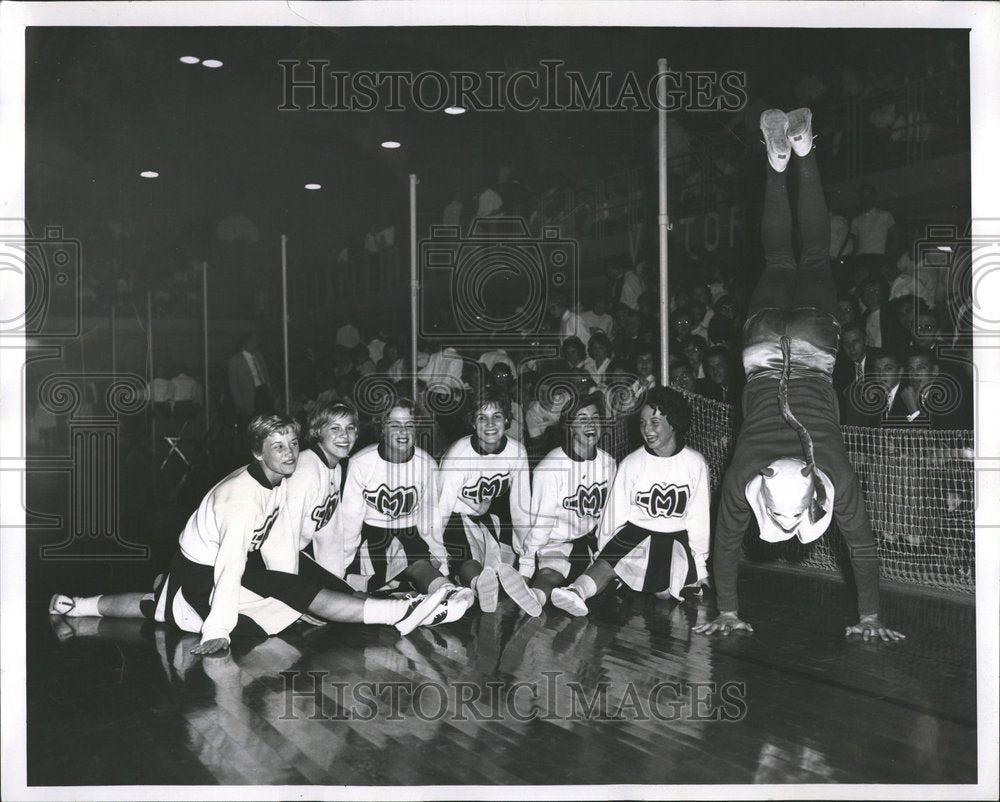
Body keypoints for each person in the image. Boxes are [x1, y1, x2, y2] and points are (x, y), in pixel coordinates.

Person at [695, 108, 904, 642]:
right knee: (780, 258)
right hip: (762, 347)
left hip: (812, 344)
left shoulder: (828, 468)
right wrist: (727, 608)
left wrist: (872, 616)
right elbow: (723, 545)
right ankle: (778, 162)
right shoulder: (748, 471)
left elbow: (862, 545)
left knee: (812, 255)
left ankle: (803, 152)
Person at [49, 415, 451, 653]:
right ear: (259, 452)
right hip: (206, 573)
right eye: (278, 446)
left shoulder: (274, 481)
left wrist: (289, 580)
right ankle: (403, 610)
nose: (290, 452)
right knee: (170, 608)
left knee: (161, 604)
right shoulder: (241, 498)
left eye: (293, 443)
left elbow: (274, 544)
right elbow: (229, 565)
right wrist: (219, 629)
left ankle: (77, 605)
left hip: (200, 570)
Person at [549, 388, 710, 616]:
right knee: (609, 561)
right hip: (637, 533)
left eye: (655, 422)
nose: (647, 430)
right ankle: (576, 591)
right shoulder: (632, 463)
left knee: (664, 594)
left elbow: (699, 520)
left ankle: (625, 580)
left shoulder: (695, 463)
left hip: (675, 538)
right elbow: (614, 514)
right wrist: (605, 553)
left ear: (674, 423)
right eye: (643, 423)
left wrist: (700, 567)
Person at [336, 398, 475, 622]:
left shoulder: (426, 463)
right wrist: (341, 567)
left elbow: (430, 519)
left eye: (409, 425)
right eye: (395, 425)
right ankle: (420, 591)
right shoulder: (361, 462)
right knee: (375, 578)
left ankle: (449, 592)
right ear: (382, 428)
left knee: (418, 561)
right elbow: (351, 521)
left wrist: (442, 563)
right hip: (373, 535)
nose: (403, 432)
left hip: (409, 531)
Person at [437, 387, 537, 614]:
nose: (490, 424)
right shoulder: (459, 455)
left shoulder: (517, 452)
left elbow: (521, 508)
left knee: (506, 556)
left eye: (497, 416)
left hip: (485, 515)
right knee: (466, 555)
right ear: (472, 423)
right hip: (453, 515)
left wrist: (527, 565)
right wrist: (440, 559)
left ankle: (505, 583)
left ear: (508, 420)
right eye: (482, 417)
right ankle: (478, 585)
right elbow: (441, 510)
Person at [519, 393, 617, 611]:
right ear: (570, 427)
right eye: (582, 419)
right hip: (554, 541)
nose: (590, 424)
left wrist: (604, 549)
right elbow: (541, 524)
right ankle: (532, 599)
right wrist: (525, 569)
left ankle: (573, 593)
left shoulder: (609, 464)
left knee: (611, 569)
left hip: (587, 541)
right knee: (550, 574)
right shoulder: (550, 467)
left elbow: (608, 517)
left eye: (594, 418)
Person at [228, 333, 274, 428]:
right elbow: (233, 385)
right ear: (246, 342)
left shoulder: (258, 355)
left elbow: (265, 373)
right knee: (253, 424)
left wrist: (270, 390)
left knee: (266, 421)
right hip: (250, 396)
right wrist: (240, 404)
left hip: (263, 390)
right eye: (253, 341)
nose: (256, 343)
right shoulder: (235, 360)